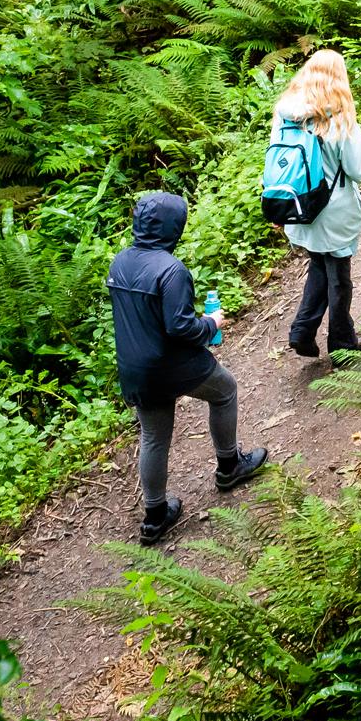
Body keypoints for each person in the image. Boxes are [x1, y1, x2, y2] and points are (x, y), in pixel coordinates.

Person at [107, 189, 269, 544]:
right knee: (225, 391)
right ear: (172, 228)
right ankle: (229, 466)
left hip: (135, 369)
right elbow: (180, 327)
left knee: (153, 436)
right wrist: (212, 323)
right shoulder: (171, 270)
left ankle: (154, 516)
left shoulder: (119, 262)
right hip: (172, 364)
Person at [269, 49, 361, 360]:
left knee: (318, 264)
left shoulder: (284, 115)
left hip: (298, 208)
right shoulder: (338, 118)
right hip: (333, 212)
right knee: (339, 278)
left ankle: (302, 332)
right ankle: (343, 345)